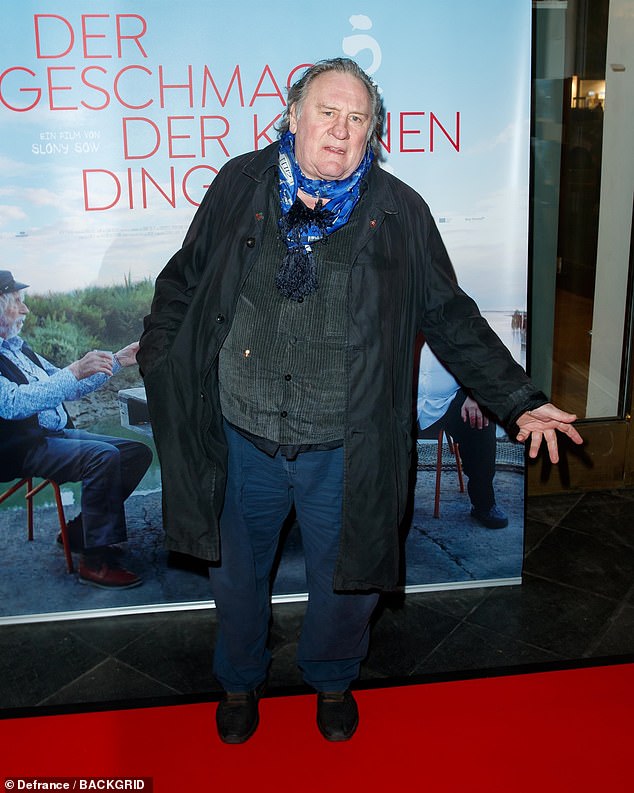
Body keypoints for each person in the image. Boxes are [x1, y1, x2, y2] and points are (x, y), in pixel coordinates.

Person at [137, 58, 583, 743]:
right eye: (327, 113)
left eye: (357, 119)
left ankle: (333, 677)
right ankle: (239, 678)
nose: (340, 132)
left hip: (347, 444)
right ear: (293, 116)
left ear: (372, 132)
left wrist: (517, 400)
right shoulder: (238, 184)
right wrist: (161, 358)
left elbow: (453, 317)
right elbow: (182, 283)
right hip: (239, 435)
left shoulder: (399, 211)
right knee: (235, 578)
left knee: (349, 585)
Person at [0, 270, 152, 589]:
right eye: (17, 302)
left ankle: (79, 532)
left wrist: (118, 360)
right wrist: (73, 371)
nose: (25, 310)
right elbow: (11, 404)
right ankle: (95, 562)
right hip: (21, 448)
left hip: (50, 437)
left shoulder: (17, 348)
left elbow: (66, 385)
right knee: (103, 457)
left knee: (136, 453)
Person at [417, 342, 508, 529]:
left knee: (481, 420)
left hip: (451, 399)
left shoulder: (455, 319)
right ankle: (385, 505)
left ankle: (484, 504)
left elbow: (485, 359)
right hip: (406, 399)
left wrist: (474, 395)